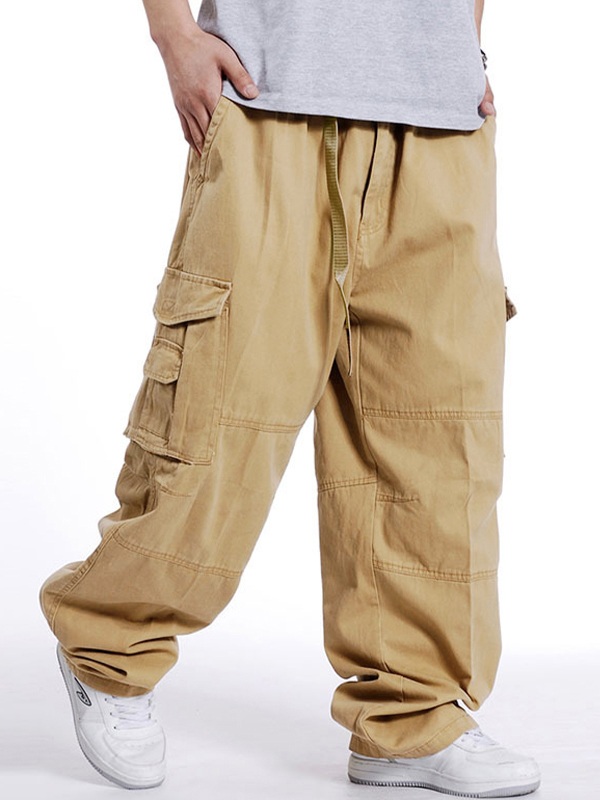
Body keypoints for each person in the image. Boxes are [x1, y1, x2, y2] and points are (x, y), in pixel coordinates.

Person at [39, 0, 541, 796]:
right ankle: (108, 648)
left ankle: (411, 718)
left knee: (436, 445)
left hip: (440, 123)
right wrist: (173, 34)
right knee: (219, 417)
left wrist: (465, 50)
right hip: (270, 98)